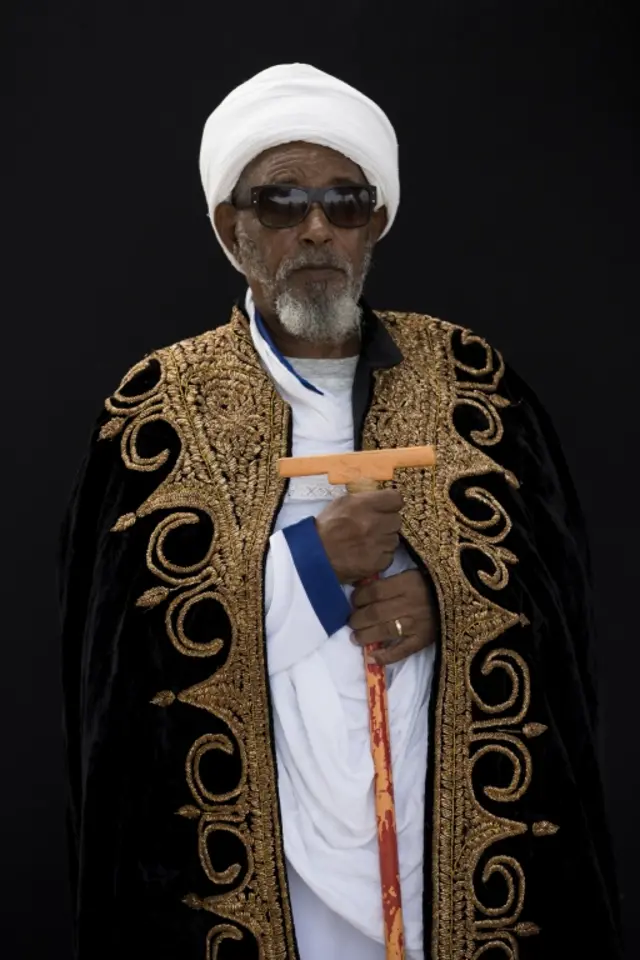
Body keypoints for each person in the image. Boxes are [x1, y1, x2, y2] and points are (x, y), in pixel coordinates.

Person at [59, 63, 622, 960]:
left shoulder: (472, 384)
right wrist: (317, 565)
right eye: (280, 203)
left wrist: (449, 608)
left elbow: (558, 613)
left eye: (345, 202)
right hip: (258, 874)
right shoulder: (158, 411)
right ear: (230, 229)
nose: (315, 228)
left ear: (377, 224)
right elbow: (124, 684)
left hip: (452, 877)